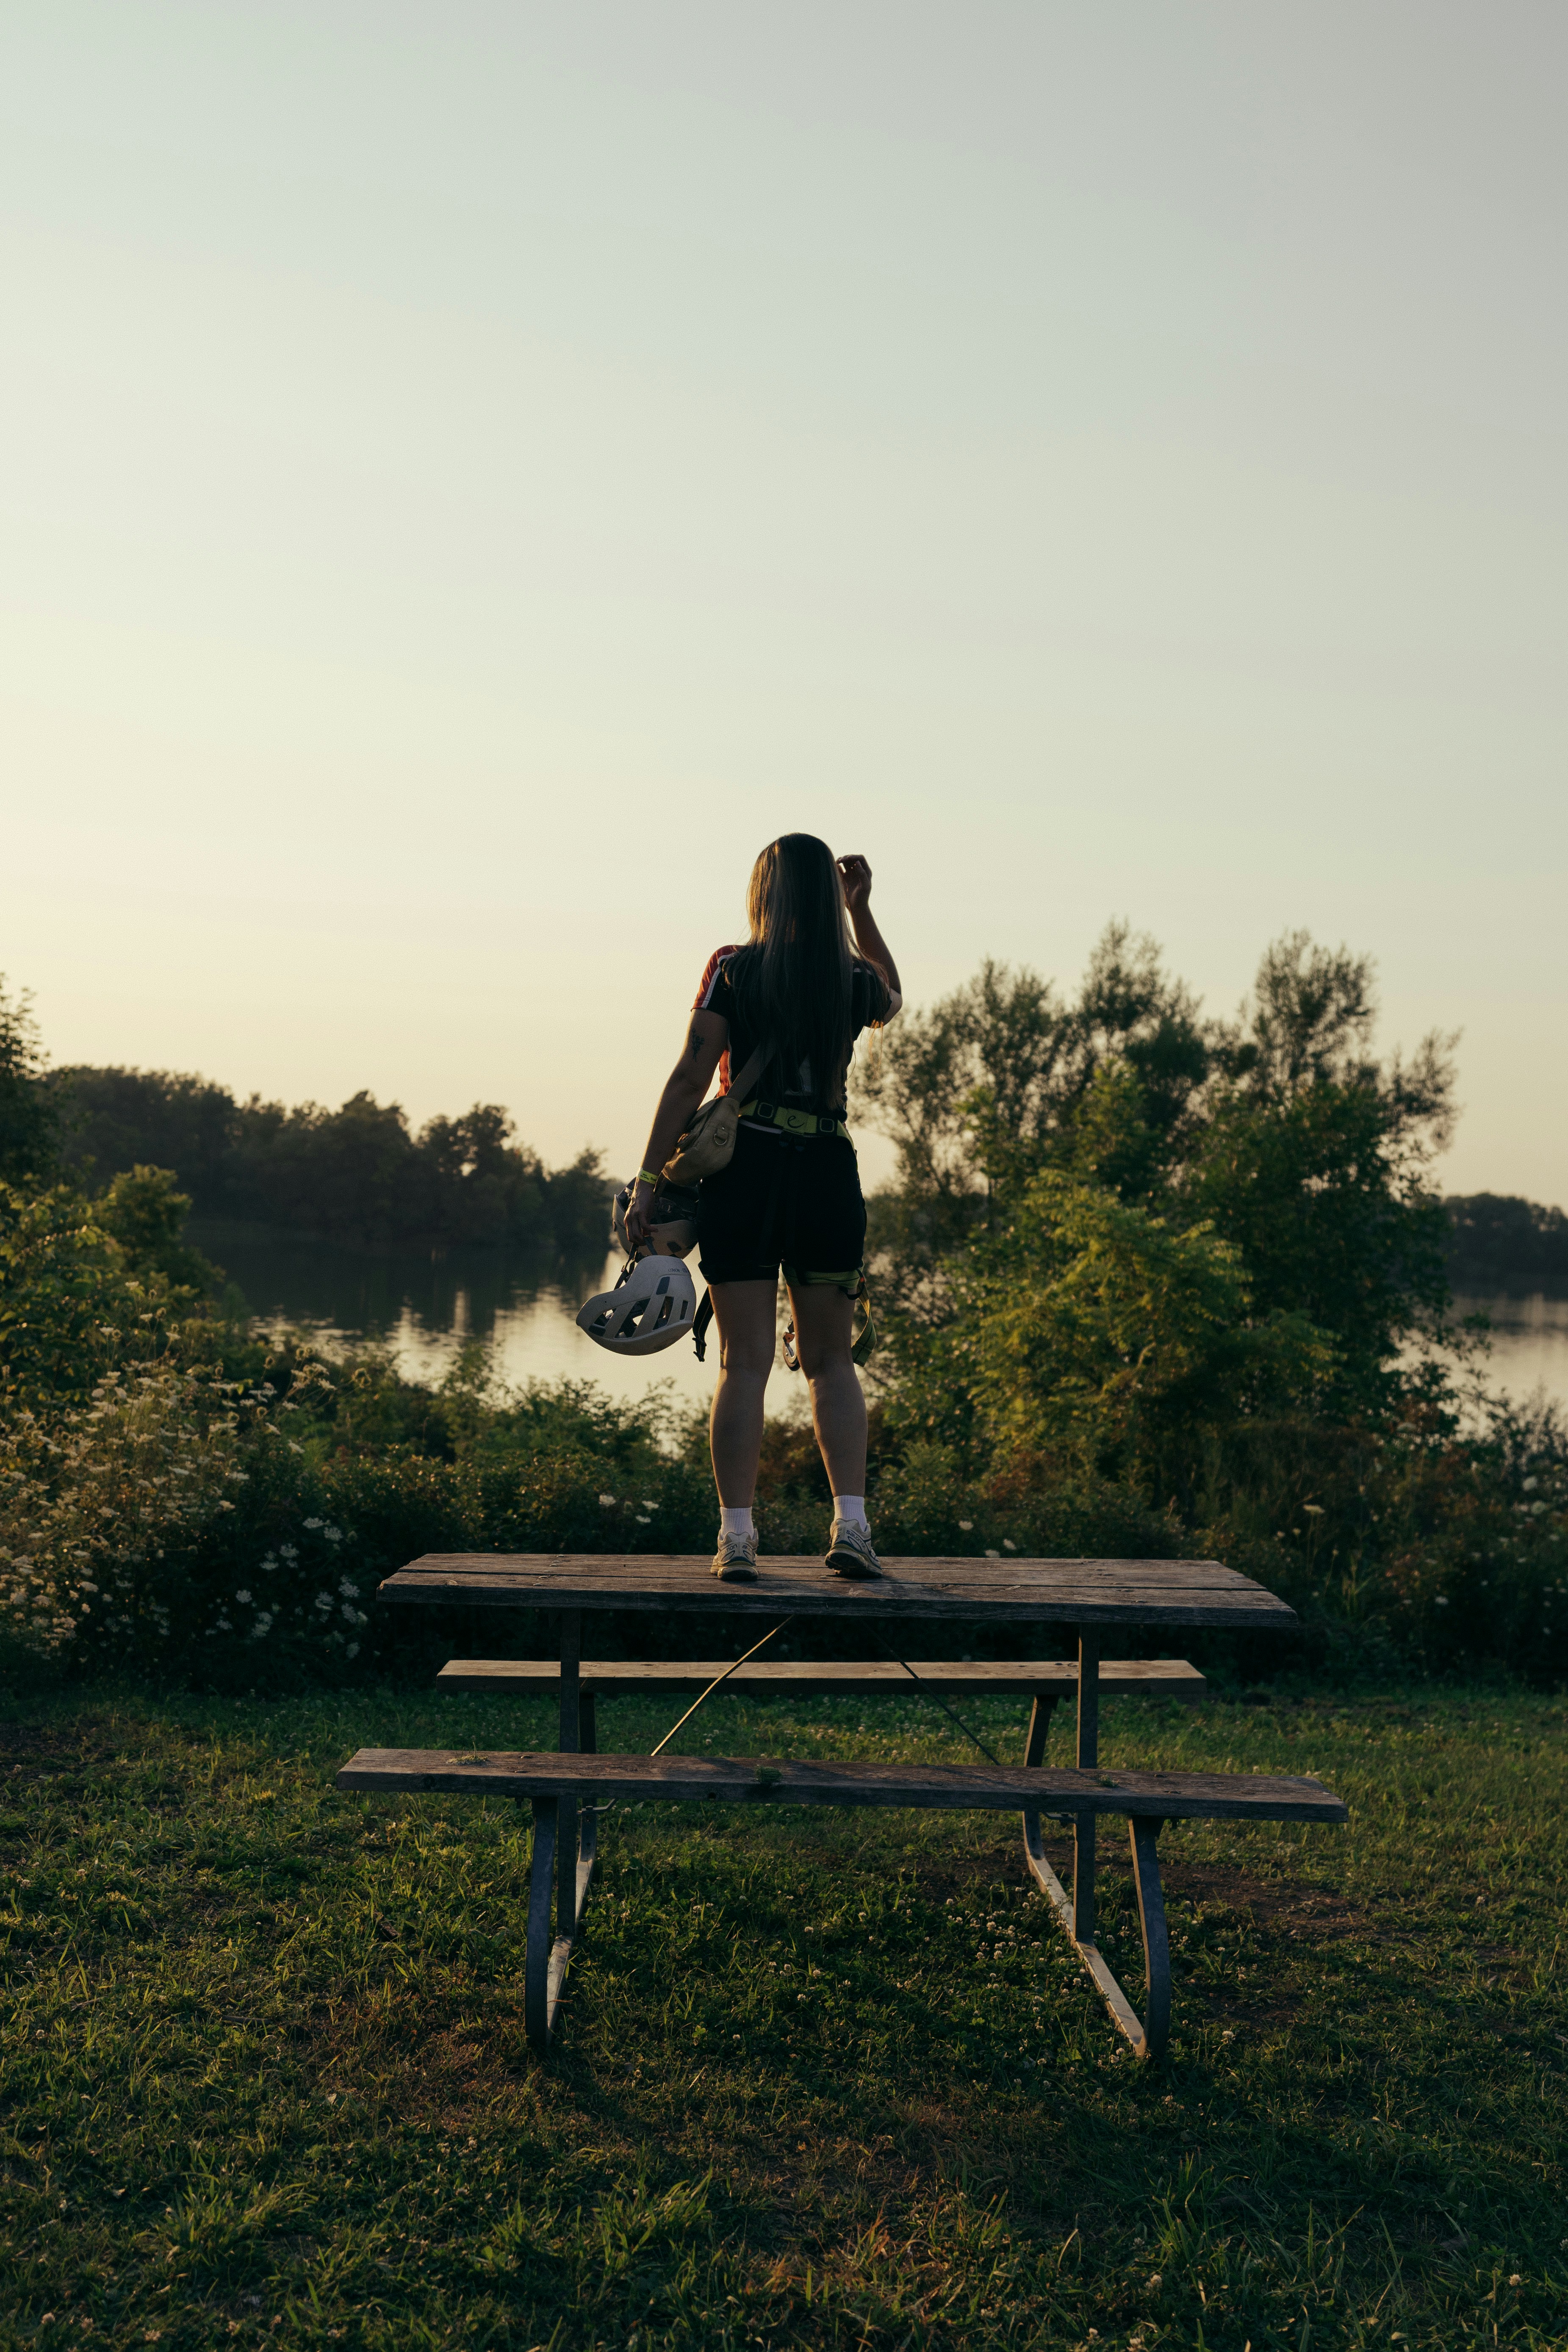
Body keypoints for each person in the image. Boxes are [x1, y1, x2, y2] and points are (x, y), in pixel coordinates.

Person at [625, 834, 902, 1582]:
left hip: (745, 1167)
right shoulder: (852, 979)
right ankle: (852, 1527)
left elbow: (690, 1074)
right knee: (831, 1362)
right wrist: (862, 912)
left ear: (763, 893)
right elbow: (893, 993)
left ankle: (738, 1540)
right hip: (826, 1169)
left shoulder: (732, 968)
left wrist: (650, 1178)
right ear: (824, 896)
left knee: (742, 1362)